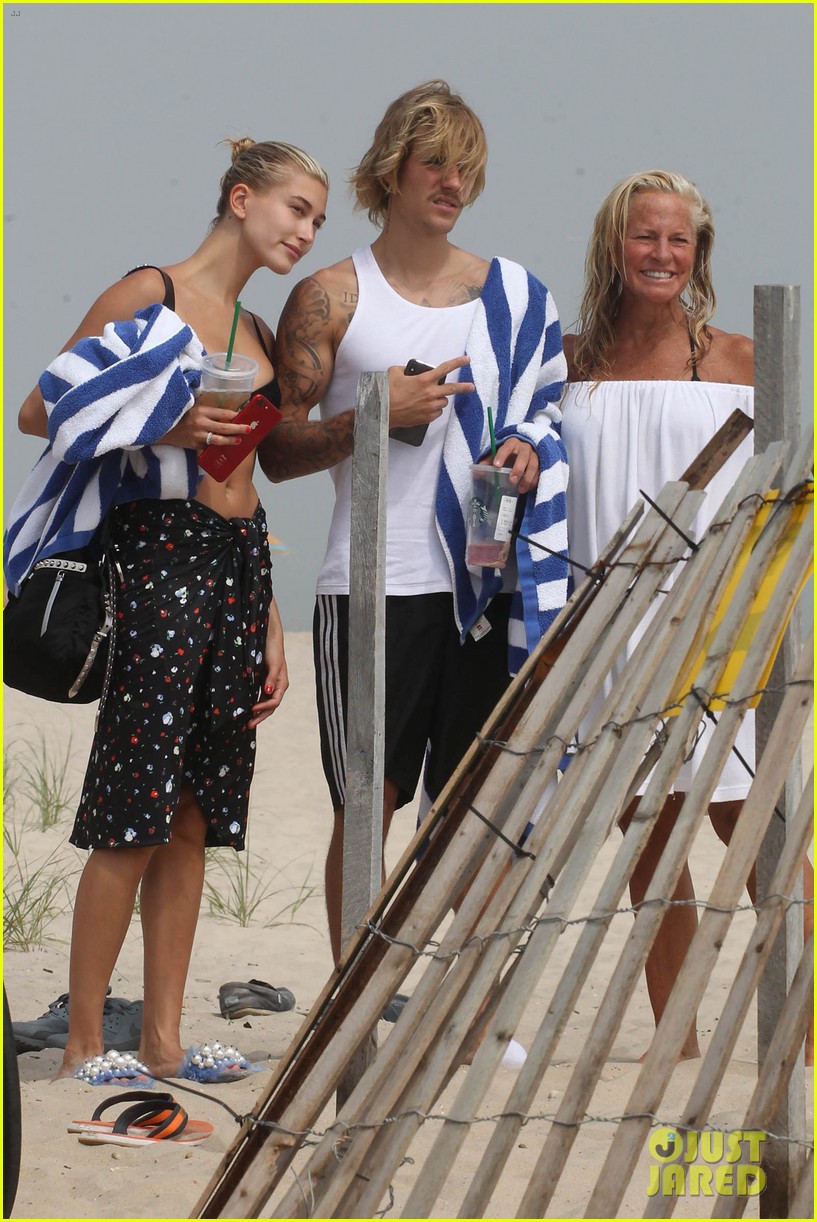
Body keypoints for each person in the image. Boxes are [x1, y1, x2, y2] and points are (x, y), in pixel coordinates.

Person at [5, 138, 329, 1084]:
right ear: (242, 198)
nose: (306, 232)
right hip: (156, 556)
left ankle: (162, 1041)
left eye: (317, 220)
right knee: (131, 807)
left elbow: (246, 481)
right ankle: (82, 1043)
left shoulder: (258, 330)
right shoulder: (149, 295)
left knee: (191, 816)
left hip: (235, 565)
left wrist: (268, 617)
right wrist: (163, 421)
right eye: (297, 209)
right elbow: (39, 410)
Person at [259, 80, 569, 971]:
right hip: (370, 583)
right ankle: (352, 1003)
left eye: (466, 169)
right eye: (435, 163)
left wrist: (529, 449)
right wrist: (374, 411)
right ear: (391, 169)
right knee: (370, 801)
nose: (452, 184)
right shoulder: (330, 295)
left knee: (476, 804)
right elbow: (273, 451)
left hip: (485, 580)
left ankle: (462, 1002)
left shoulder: (515, 296)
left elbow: (550, 411)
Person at [560, 169, 812, 1061]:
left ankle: (809, 1038)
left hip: (715, 626)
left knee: (751, 828)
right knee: (646, 829)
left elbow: (787, 496)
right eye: (644, 235)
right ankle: (678, 1044)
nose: (661, 253)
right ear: (612, 245)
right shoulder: (569, 361)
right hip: (606, 626)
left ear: (698, 253)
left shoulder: (739, 359)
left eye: (679, 239)